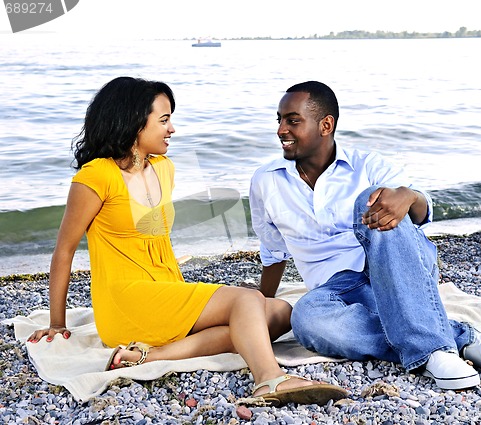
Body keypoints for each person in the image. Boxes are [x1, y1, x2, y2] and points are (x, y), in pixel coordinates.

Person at [27, 77, 347, 406]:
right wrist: (56, 323)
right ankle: (269, 379)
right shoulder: (96, 177)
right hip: (127, 301)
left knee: (280, 312)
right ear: (134, 122)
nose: (172, 129)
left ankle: (152, 355)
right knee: (245, 301)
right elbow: (64, 251)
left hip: (166, 290)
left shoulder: (164, 169)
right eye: (164, 120)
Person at [249, 80, 481, 391]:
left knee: (373, 198)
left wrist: (408, 196)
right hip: (334, 290)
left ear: (326, 125)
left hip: (393, 269)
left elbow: (417, 214)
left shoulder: (367, 165)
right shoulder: (266, 181)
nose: (281, 130)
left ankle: (433, 351)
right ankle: (460, 338)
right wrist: (261, 303)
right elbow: (274, 251)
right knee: (307, 321)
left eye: (292, 120)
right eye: (279, 120)